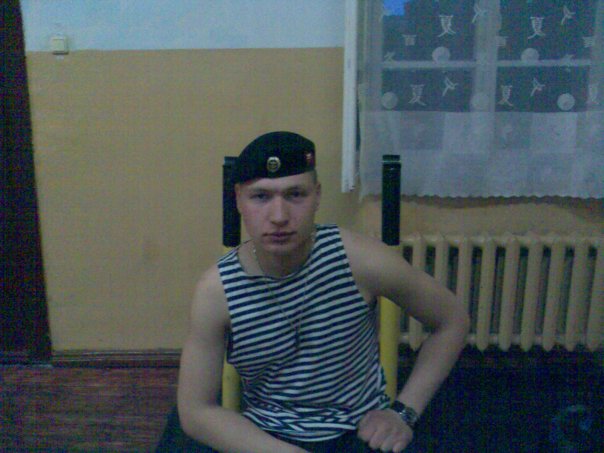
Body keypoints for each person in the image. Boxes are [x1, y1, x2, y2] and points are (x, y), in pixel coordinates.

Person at [175, 131, 470, 452]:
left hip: (361, 428)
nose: (279, 216)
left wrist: (403, 412)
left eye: (295, 194)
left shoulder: (359, 260)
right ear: (238, 200)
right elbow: (195, 411)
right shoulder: (216, 292)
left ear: (316, 196)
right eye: (260, 197)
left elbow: (452, 320)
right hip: (267, 434)